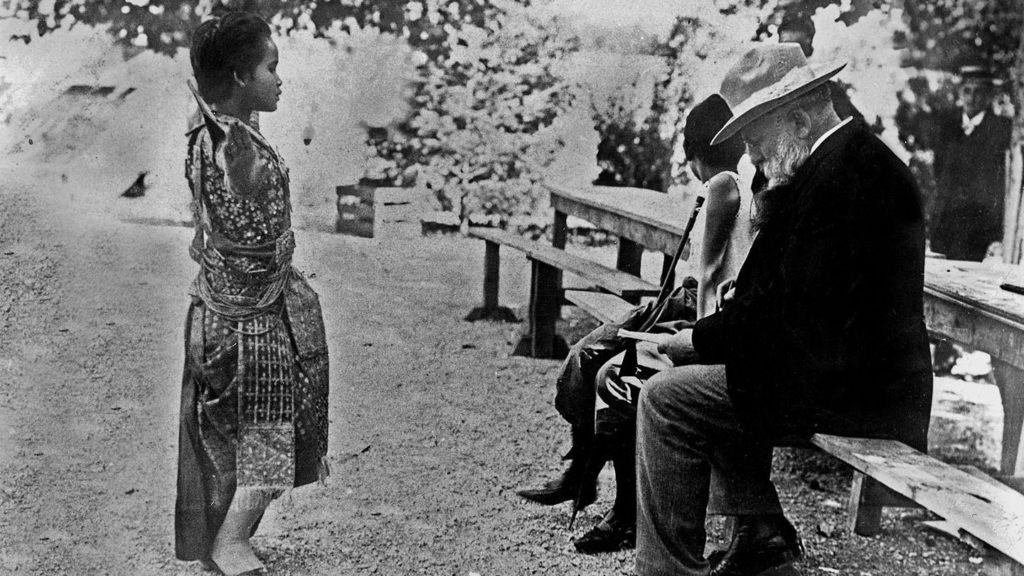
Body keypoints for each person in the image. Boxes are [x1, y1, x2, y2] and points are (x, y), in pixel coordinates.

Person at [634, 43, 932, 576]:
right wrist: (719, 331)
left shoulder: (843, 180)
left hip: (858, 393)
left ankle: (669, 570)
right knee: (717, 374)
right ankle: (760, 535)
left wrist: (697, 340)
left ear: (796, 120)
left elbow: (782, 316)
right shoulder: (839, 163)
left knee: (665, 398)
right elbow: (776, 299)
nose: (751, 158)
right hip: (846, 374)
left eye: (755, 141)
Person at [516, 94, 752, 554]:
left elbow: (705, 279)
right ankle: (581, 473)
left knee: (610, 369)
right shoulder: (730, 182)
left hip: (692, 308)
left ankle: (617, 505)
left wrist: (699, 339)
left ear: (696, 153)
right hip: (681, 300)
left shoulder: (725, 184)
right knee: (588, 354)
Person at [176, 12, 330, 575]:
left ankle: (227, 538)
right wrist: (241, 174)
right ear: (240, 77)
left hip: (223, 308)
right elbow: (238, 182)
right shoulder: (230, 149)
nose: (281, 79)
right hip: (250, 320)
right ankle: (231, 543)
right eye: (271, 67)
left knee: (236, 431)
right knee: (271, 430)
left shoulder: (208, 125)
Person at [929, 65, 1012, 261]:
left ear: (989, 95)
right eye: (967, 91)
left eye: (979, 92)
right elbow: (939, 168)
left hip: (979, 224)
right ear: (960, 92)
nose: (972, 97)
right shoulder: (948, 125)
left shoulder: (1000, 129)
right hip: (948, 218)